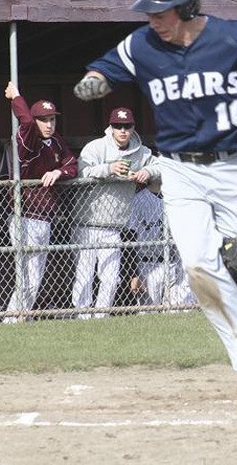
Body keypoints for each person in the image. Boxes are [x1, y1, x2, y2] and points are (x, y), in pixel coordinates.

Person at [73, 0, 237, 410]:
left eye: (162, 11)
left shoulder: (231, 36)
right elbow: (103, 69)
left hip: (232, 167)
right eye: (149, 11)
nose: (153, 19)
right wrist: (95, 82)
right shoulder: (142, 45)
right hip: (179, 170)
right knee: (197, 267)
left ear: (188, 6)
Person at [72, 107, 160, 319]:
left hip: (114, 225)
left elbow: (161, 166)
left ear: (133, 128)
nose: (122, 130)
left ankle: (101, 317)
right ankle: (81, 318)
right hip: (87, 222)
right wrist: (109, 169)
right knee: (84, 276)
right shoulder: (96, 147)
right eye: (118, 126)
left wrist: (146, 172)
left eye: (127, 126)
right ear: (110, 127)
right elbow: (81, 171)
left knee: (111, 277)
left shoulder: (141, 151)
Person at [3, 81, 78, 323]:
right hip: (24, 216)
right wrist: (16, 96)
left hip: (45, 217)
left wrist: (59, 173)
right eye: (44, 120)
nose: (49, 124)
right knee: (27, 276)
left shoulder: (55, 141)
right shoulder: (28, 139)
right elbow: (24, 121)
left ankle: (17, 320)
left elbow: (72, 165)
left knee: (34, 277)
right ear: (36, 121)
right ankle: (12, 320)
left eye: (52, 119)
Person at [126, 186, 195, 309]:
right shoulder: (139, 200)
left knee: (177, 311)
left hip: (174, 263)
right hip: (148, 264)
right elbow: (130, 235)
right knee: (148, 312)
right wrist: (134, 274)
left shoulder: (177, 197)